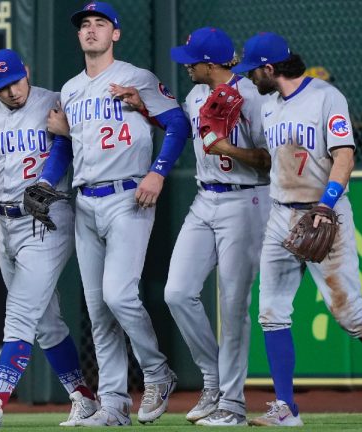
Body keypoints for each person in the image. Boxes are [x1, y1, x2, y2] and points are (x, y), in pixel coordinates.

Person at [230, 32, 362, 426]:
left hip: (325, 213)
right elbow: (271, 159)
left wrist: (326, 204)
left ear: (270, 68)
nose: (252, 78)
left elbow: (345, 156)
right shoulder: (268, 104)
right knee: (271, 312)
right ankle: (287, 408)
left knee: (350, 315)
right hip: (281, 213)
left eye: (255, 71)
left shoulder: (326, 97)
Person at [38, 2, 190, 426]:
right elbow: (66, 147)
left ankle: (158, 373)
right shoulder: (69, 90)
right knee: (97, 309)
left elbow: (179, 125)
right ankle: (114, 404)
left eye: (99, 24)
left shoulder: (136, 77)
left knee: (118, 295)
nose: (90, 30)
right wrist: (48, 182)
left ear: (115, 34)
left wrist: (158, 173)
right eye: (84, 25)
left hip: (129, 196)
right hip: (85, 200)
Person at [118, 27, 271, 426]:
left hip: (248, 198)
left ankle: (233, 405)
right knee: (177, 292)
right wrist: (145, 109)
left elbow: (272, 161)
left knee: (233, 305)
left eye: (192, 61)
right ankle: (214, 378)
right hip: (206, 199)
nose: (186, 66)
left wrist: (230, 149)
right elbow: (185, 127)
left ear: (210, 63)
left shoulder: (253, 96)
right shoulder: (196, 94)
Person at [0, 48, 98, 429]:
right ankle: (84, 397)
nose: (11, 90)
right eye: (1, 86)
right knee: (44, 320)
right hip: (6, 224)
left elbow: (63, 146)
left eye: (15, 80)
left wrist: (46, 181)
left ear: (26, 71)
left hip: (47, 217)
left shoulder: (53, 102)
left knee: (20, 312)